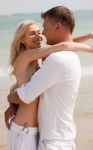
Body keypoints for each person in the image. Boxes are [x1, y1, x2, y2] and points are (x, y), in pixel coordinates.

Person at [6, 6, 93, 150]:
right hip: (23, 131)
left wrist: (89, 36)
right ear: (22, 39)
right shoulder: (25, 57)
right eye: (32, 34)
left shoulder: (42, 58)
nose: (41, 35)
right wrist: (90, 49)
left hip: (36, 132)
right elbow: (64, 45)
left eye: (40, 31)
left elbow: (64, 44)